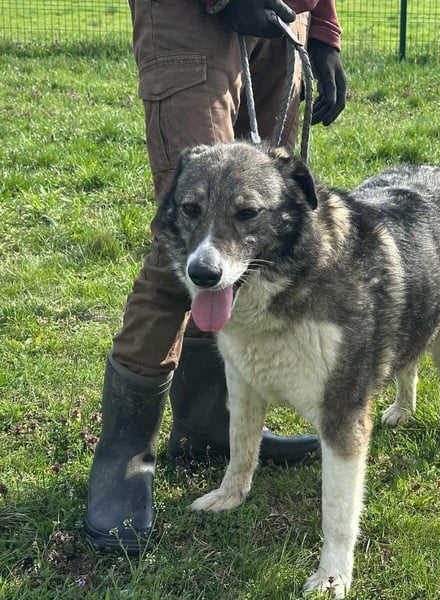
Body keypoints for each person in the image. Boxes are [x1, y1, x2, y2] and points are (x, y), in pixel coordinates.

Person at [84, 0, 347, 553]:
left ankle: (208, 426)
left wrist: (322, 29)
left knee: (255, 228)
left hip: (283, 21)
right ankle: (122, 457)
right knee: (187, 240)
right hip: (190, 19)